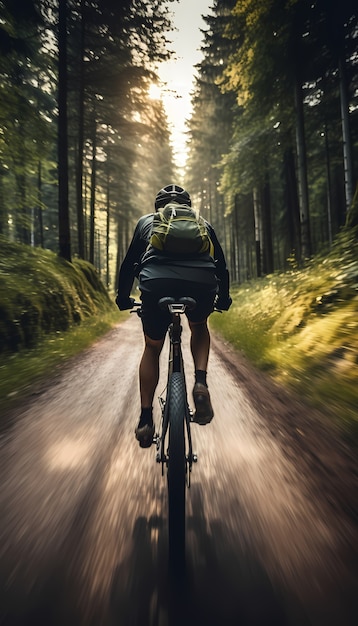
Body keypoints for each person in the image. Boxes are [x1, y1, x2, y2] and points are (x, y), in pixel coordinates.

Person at [116, 184, 232, 447]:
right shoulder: (202, 223)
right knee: (199, 324)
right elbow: (221, 267)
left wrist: (123, 298)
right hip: (200, 284)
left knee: (152, 346)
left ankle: (146, 420)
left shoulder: (148, 222)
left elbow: (130, 263)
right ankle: (200, 383)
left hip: (157, 286)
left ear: (158, 206)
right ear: (187, 207)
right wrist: (223, 298)